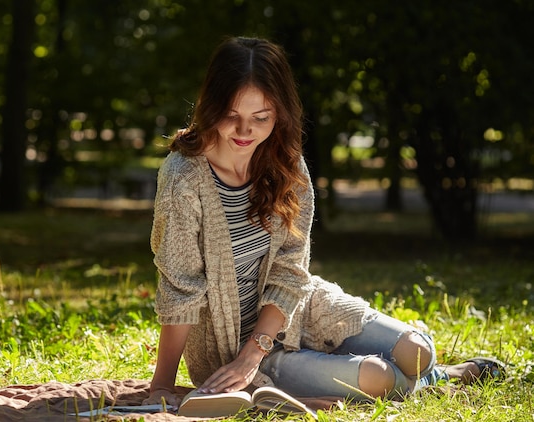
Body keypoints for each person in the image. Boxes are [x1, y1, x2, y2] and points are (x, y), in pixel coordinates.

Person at [143, 36, 504, 409]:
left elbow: (290, 269)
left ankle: (434, 373)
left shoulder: (287, 165)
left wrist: (258, 345)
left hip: (297, 307)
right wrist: (162, 385)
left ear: (279, 113)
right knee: (379, 378)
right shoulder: (183, 177)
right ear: (210, 105)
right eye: (231, 115)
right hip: (228, 348)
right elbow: (179, 288)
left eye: (260, 118)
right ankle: (445, 378)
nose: (244, 131)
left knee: (417, 352)